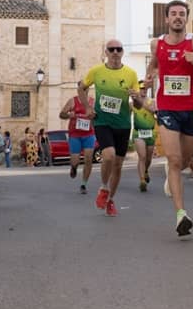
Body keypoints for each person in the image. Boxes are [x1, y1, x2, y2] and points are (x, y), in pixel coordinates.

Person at [144, 0, 193, 236]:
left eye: (182, 14)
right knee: (175, 160)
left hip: (189, 109)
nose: (178, 17)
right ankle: (180, 215)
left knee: (185, 160)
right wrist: (147, 82)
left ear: (186, 18)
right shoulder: (157, 44)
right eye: (173, 13)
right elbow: (152, 67)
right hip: (166, 108)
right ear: (166, 19)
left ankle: (172, 174)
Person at [78, 39, 143, 217]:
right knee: (108, 155)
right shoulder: (96, 71)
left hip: (123, 124)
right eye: (111, 49)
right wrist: (87, 108)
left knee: (118, 165)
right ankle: (104, 187)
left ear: (122, 52)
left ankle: (110, 200)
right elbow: (81, 88)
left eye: (118, 49)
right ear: (106, 52)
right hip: (102, 122)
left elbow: (138, 105)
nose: (115, 52)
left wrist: (136, 98)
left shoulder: (131, 74)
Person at [60, 91, 97, 195]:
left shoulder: (93, 102)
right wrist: (68, 115)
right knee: (75, 161)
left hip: (89, 134)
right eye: (82, 88)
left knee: (88, 159)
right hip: (75, 135)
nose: (84, 91)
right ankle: (74, 167)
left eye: (86, 88)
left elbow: (97, 117)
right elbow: (61, 114)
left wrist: (94, 116)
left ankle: (84, 184)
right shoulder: (72, 101)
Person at [130, 85, 157, 192]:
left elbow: (153, 110)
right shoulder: (132, 104)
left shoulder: (152, 101)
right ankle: (142, 181)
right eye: (141, 89)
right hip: (138, 132)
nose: (143, 90)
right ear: (137, 90)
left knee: (149, 158)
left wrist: (141, 102)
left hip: (150, 132)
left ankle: (145, 171)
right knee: (142, 156)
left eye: (145, 89)